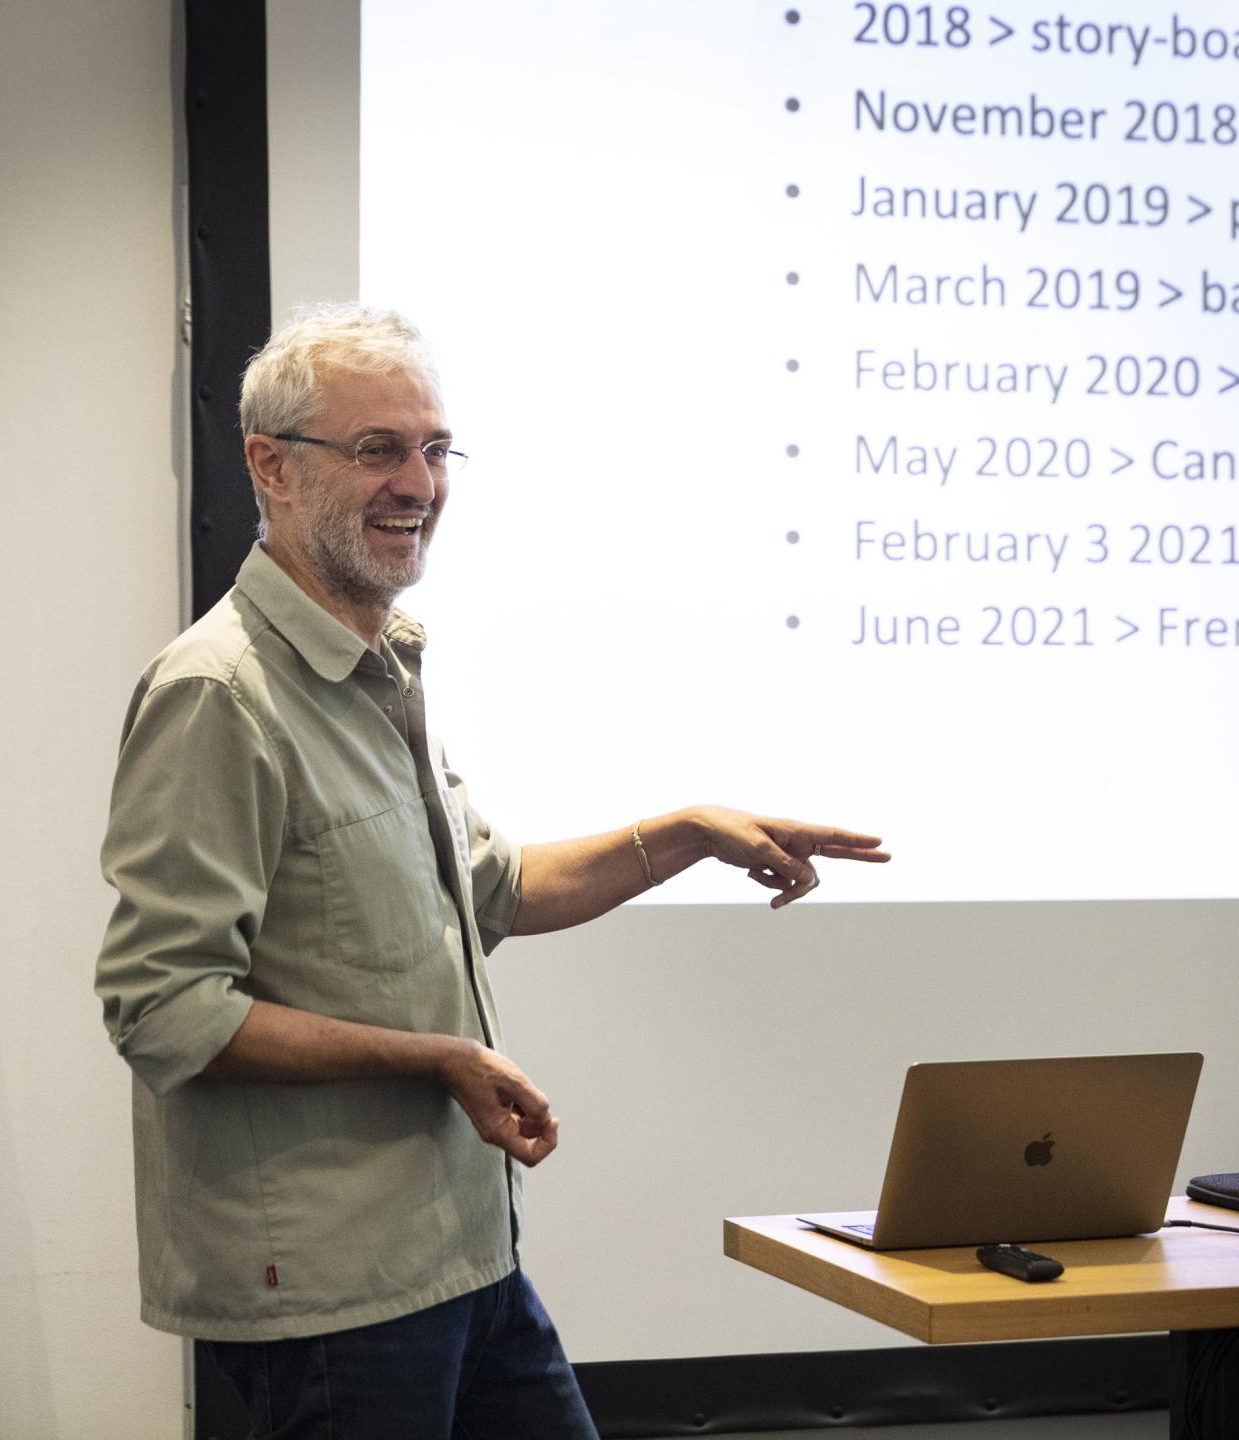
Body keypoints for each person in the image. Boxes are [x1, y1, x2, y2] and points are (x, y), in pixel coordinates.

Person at [95, 304, 888, 1437]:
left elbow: (497, 889)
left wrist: (694, 831)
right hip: (329, 1297)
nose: (417, 482)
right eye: (377, 449)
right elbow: (164, 1008)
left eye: (433, 448)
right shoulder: (219, 696)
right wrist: (437, 1060)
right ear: (270, 467)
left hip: (464, 1260)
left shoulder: (382, 668)